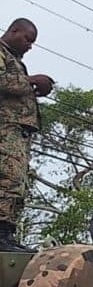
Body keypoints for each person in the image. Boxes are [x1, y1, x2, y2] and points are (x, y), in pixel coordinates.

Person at [0, 18, 51, 252]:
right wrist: (32, 80)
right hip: (5, 131)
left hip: (16, 133)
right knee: (7, 180)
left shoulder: (14, 60)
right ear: (14, 31)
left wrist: (35, 88)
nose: (29, 46)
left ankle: (7, 234)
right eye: (27, 39)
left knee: (17, 183)